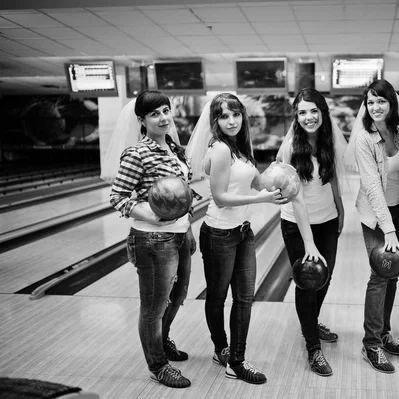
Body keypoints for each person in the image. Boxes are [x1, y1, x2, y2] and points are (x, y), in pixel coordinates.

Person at [185, 93, 287, 385]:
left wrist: (283, 172)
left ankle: (237, 361)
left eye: (236, 115)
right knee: (217, 297)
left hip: (243, 233)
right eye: (224, 116)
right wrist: (262, 199)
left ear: (243, 116)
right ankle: (221, 347)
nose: (231, 121)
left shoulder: (241, 149)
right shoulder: (219, 150)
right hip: (218, 234)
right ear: (214, 121)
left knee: (244, 298)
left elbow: (258, 182)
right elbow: (219, 197)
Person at [104, 90, 198, 389]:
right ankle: (158, 365)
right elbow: (117, 197)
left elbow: (184, 195)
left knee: (178, 296)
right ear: (142, 120)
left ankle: (163, 338)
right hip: (153, 240)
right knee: (153, 307)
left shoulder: (176, 149)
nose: (163, 118)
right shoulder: (137, 153)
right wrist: (149, 215)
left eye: (166, 110)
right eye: (155, 113)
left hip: (179, 235)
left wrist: (189, 228)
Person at [345, 79, 399, 374]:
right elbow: (372, 187)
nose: (374, 107)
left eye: (380, 101)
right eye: (370, 102)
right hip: (376, 217)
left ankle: (384, 333)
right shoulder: (364, 138)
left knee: (394, 275)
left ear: (392, 104)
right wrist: (388, 230)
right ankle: (371, 343)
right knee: (380, 274)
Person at [275, 88, 347, 377]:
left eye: (313, 110)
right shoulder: (292, 146)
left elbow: (333, 180)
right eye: (302, 112)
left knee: (324, 277)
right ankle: (313, 347)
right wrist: (309, 245)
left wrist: (341, 212)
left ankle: (311, 322)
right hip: (296, 223)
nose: (308, 117)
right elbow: (298, 197)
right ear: (296, 116)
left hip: (327, 220)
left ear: (322, 112)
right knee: (307, 281)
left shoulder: (329, 140)